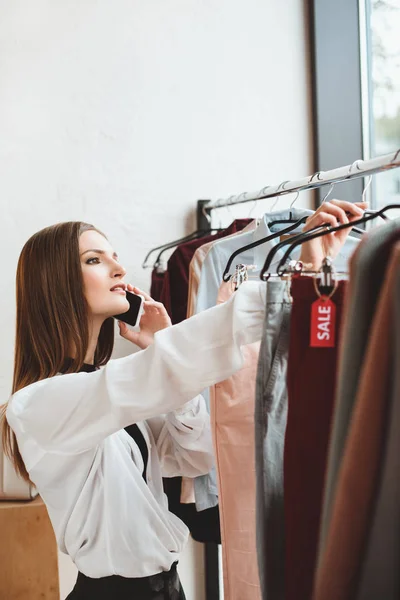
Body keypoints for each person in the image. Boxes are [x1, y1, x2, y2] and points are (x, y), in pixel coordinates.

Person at [1, 200, 365, 599]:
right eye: (94, 260)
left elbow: (198, 456)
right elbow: (153, 374)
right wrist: (288, 287)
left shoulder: (116, 403)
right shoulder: (36, 405)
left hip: (168, 589)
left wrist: (158, 344)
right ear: (54, 283)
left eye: (115, 257)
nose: (119, 269)